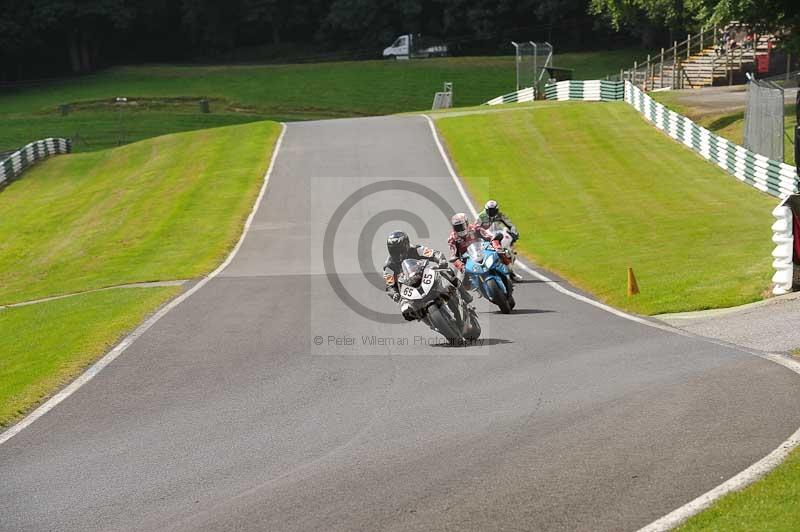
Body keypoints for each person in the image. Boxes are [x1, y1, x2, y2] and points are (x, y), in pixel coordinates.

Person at [383, 231, 472, 314]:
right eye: (394, 250)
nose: (398, 253)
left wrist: (441, 261)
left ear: (406, 245)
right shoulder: (389, 265)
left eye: (399, 249)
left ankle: (463, 293)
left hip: (424, 277)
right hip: (409, 287)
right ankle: (420, 315)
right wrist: (394, 294)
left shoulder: (415, 249)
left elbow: (434, 253)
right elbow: (389, 285)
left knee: (447, 271)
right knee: (405, 307)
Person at [448, 212, 509, 280]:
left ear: (467, 223)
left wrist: (497, 247)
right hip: (467, 261)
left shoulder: (475, 228)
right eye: (457, 227)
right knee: (460, 281)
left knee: (502, 253)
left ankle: (510, 272)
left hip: (482, 252)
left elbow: (490, 238)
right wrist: (461, 266)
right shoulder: (453, 238)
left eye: (462, 226)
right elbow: (453, 255)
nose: (460, 229)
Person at [474, 200, 523, 282]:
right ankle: (478, 276)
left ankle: (512, 274)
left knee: (510, 253)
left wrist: (514, 233)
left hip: (499, 236)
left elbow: (510, 225)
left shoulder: (500, 215)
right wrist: (478, 237)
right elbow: (475, 228)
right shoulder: (481, 216)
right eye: (490, 210)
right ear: (486, 210)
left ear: (497, 210)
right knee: (479, 255)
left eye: (494, 210)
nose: (492, 212)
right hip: (486, 238)